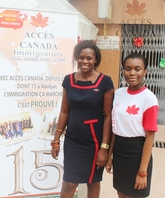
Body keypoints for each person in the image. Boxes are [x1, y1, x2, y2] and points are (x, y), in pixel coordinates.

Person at [51, 40, 114, 198]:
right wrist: (56, 139)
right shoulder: (68, 80)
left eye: (89, 58)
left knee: (93, 182)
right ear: (76, 59)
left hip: (94, 141)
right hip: (73, 140)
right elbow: (65, 111)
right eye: (81, 57)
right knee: (69, 184)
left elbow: (108, 116)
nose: (84, 61)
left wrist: (104, 148)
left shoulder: (105, 82)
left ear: (95, 60)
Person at [106, 53, 159, 198]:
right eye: (128, 68)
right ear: (123, 71)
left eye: (137, 69)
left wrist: (142, 172)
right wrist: (110, 155)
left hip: (137, 153)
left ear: (145, 72)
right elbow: (115, 128)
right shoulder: (119, 93)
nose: (132, 73)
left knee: (134, 195)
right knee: (121, 193)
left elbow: (149, 138)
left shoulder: (149, 98)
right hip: (119, 151)